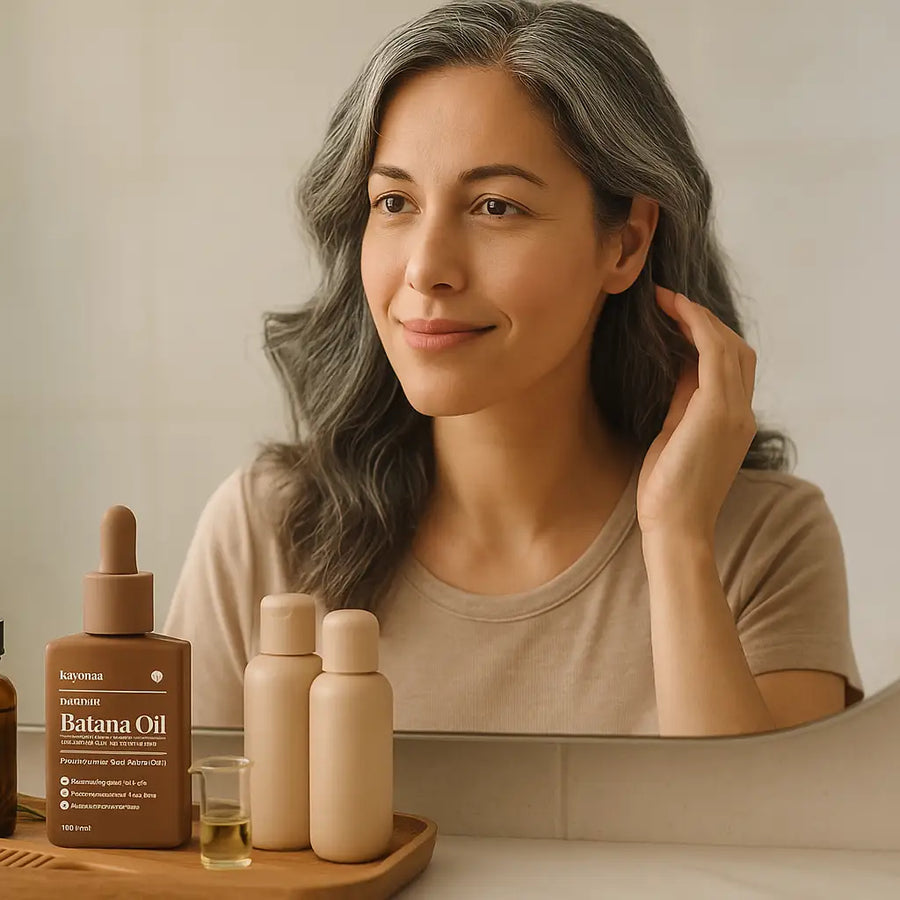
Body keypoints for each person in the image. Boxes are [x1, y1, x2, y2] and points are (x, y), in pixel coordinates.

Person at [163, 0, 863, 737]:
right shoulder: (267, 531)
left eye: (495, 206)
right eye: (394, 201)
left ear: (624, 245)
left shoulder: (767, 539)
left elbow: (753, 844)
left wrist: (678, 539)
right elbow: (178, 844)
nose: (427, 268)